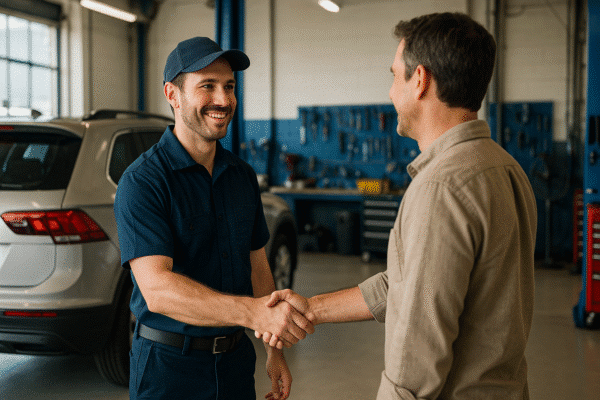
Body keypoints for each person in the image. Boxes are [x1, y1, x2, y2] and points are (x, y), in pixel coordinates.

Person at [257, 12, 537, 400]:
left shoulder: (442, 187)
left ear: (419, 80)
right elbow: (412, 284)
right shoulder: (504, 167)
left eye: (394, 75)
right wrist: (313, 308)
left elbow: (417, 354)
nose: (390, 91)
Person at [114, 37, 313, 400]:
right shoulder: (143, 182)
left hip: (235, 363)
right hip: (168, 369)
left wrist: (274, 349)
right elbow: (157, 290)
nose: (223, 100)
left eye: (229, 87)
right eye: (207, 86)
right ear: (172, 94)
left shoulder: (241, 176)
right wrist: (254, 314)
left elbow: (258, 267)